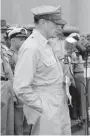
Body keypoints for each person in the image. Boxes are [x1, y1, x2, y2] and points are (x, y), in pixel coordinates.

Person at [13, 5, 71, 135]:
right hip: (46, 106)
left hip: (59, 103)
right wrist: (41, 107)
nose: (58, 28)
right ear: (43, 22)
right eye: (55, 24)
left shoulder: (48, 44)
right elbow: (21, 87)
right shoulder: (32, 47)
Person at [7, 27, 28, 135]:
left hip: (25, 90)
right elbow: (9, 76)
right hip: (15, 91)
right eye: (21, 39)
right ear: (13, 40)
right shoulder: (8, 55)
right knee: (17, 121)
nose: (24, 41)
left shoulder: (23, 53)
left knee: (25, 120)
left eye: (24, 39)